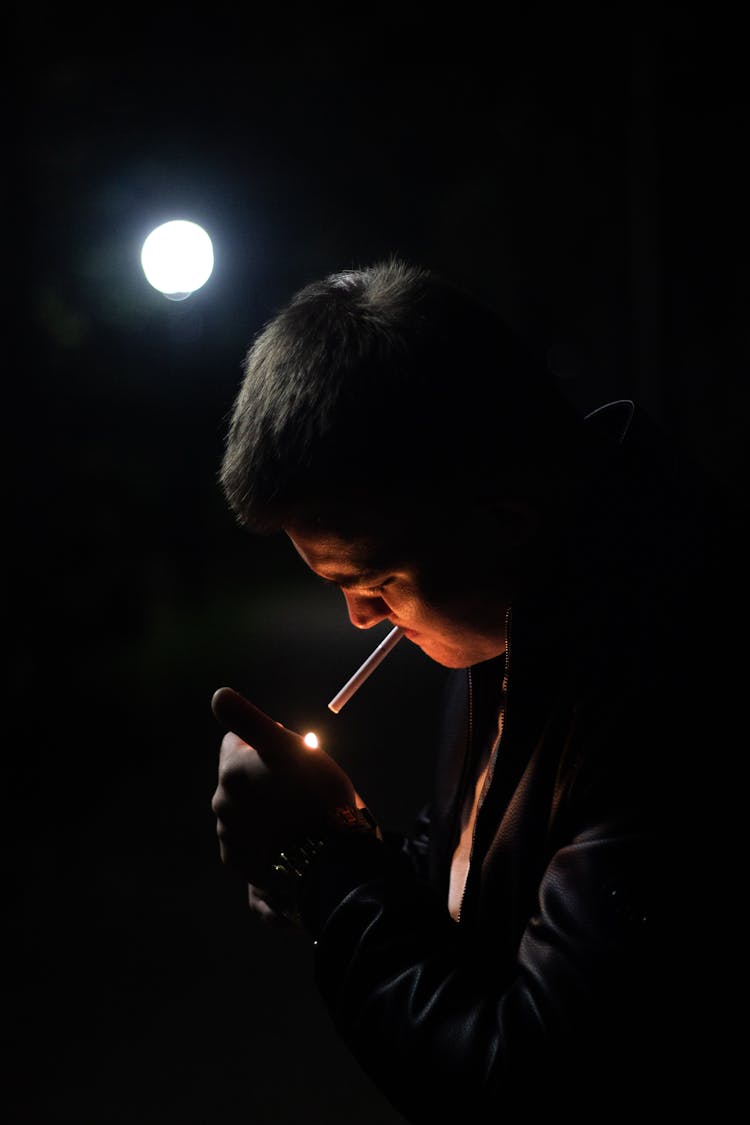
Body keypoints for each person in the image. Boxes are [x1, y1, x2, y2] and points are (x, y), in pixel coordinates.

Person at [210, 258, 743, 1123]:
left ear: (502, 522)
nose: (359, 617)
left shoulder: (671, 676)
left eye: (374, 580)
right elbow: (487, 878)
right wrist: (340, 848)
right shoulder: (513, 605)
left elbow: (525, 1078)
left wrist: (327, 864)